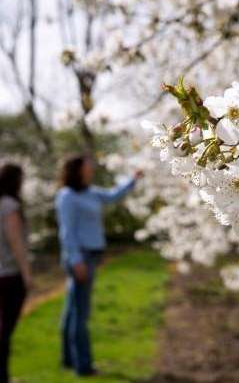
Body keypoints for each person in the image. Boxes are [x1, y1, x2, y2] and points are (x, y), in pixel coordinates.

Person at [55, 154, 142, 376]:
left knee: (72, 308)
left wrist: (133, 180)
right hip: (80, 258)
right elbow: (67, 232)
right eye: (87, 165)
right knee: (80, 312)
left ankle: (68, 359)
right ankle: (83, 366)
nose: (91, 167)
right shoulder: (67, 196)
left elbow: (113, 196)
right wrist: (76, 261)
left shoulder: (91, 192)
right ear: (77, 169)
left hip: (90, 256)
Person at [0, 162, 32, 383]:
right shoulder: (10, 205)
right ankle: (2, 378)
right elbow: (15, 241)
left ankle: (0, 376)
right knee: (3, 332)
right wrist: (27, 273)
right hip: (10, 275)